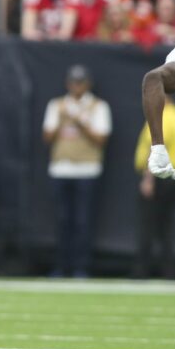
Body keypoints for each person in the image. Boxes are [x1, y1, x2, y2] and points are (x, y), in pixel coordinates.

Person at [42, 65, 112, 277]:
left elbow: (101, 139)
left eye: (80, 82)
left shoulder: (98, 107)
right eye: (73, 82)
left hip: (87, 170)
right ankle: (61, 266)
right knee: (62, 221)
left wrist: (80, 122)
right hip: (61, 169)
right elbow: (47, 137)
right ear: (68, 83)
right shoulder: (57, 105)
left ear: (88, 84)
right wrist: (64, 118)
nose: (77, 86)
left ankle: (82, 267)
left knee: (83, 221)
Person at [134, 95, 175, 279]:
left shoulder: (162, 117)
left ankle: (142, 270)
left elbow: (156, 147)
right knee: (167, 225)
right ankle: (169, 270)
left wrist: (148, 178)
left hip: (159, 175)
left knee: (148, 223)